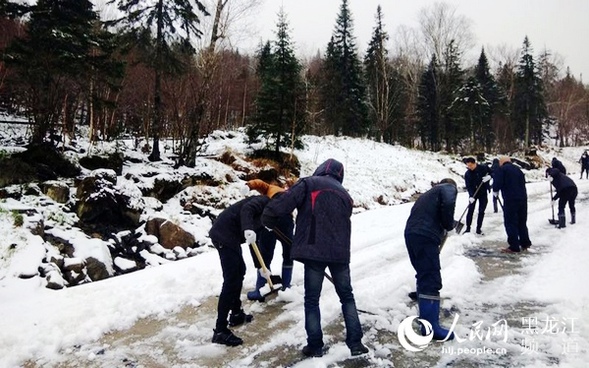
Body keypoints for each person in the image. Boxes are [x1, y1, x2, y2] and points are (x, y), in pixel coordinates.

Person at [262, 158, 368, 358]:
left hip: (314, 252)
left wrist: (268, 215)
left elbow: (286, 201)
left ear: (321, 169)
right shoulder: (346, 196)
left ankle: (315, 346)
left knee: (312, 299)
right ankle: (356, 343)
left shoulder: (309, 183)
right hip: (339, 254)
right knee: (347, 297)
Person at [208, 195, 270, 346]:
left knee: (240, 271)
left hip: (231, 237)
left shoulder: (267, 218)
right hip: (223, 235)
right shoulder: (263, 201)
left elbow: (253, 243)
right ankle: (220, 330)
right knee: (231, 280)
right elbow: (247, 211)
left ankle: (236, 313)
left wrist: (261, 267)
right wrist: (248, 228)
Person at [405, 178, 458, 341]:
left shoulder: (427, 195)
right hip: (425, 235)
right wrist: (449, 225)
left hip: (411, 234)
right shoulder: (448, 188)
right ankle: (430, 327)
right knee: (431, 277)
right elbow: (448, 202)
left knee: (423, 271)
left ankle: (422, 294)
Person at [240, 179, 294, 301]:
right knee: (288, 252)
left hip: (270, 216)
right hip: (286, 218)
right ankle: (286, 287)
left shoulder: (270, 188)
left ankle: (260, 289)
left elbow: (259, 183)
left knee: (265, 253)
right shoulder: (289, 194)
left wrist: (249, 185)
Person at [492, 156, 532, 253]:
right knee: (522, 222)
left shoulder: (502, 169)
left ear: (502, 162)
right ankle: (525, 243)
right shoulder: (518, 169)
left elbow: (498, 182)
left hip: (510, 200)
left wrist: (495, 190)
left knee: (510, 222)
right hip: (523, 199)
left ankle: (514, 246)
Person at [463, 157, 492, 234]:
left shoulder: (483, 168)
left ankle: (478, 228)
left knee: (481, 211)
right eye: (468, 166)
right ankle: (468, 228)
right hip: (473, 193)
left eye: (471, 165)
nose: (469, 167)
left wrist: (489, 177)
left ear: (474, 163)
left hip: (483, 192)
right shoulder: (467, 174)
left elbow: (493, 172)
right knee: (470, 210)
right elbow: (468, 186)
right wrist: (471, 196)